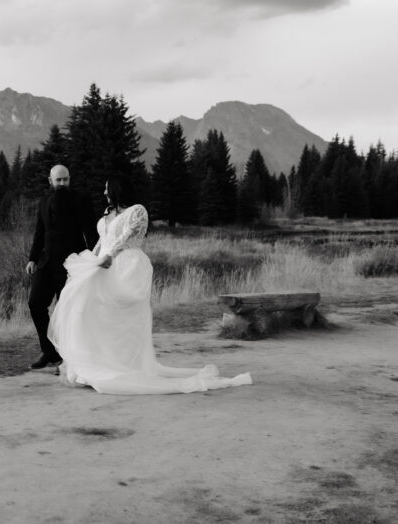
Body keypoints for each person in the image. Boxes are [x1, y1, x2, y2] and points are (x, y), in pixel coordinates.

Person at [47, 179, 253, 394]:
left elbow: (126, 237)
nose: (104, 192)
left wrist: (110, 256)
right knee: (93, 312)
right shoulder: (107, 213)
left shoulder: (137, 211)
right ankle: (99, 363)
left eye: (107, 188)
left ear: (117, 188)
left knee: (121, 315)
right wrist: (92, 261)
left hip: (125, 265)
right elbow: (102, 240)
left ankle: (123, 365)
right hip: (104, 266)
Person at [25, 164, 98, 369]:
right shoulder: (43, 201)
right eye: (58, 180)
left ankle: (68, 360)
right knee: (35, 303)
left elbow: (90, 231)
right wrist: (32, 258)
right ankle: (49, 352)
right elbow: (39, 232)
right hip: (46, 263)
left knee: (67, 312)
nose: (63, 183)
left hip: (72, 264)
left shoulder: (81, 199)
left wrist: (93, 260)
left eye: (66, 179)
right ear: (50, 181)